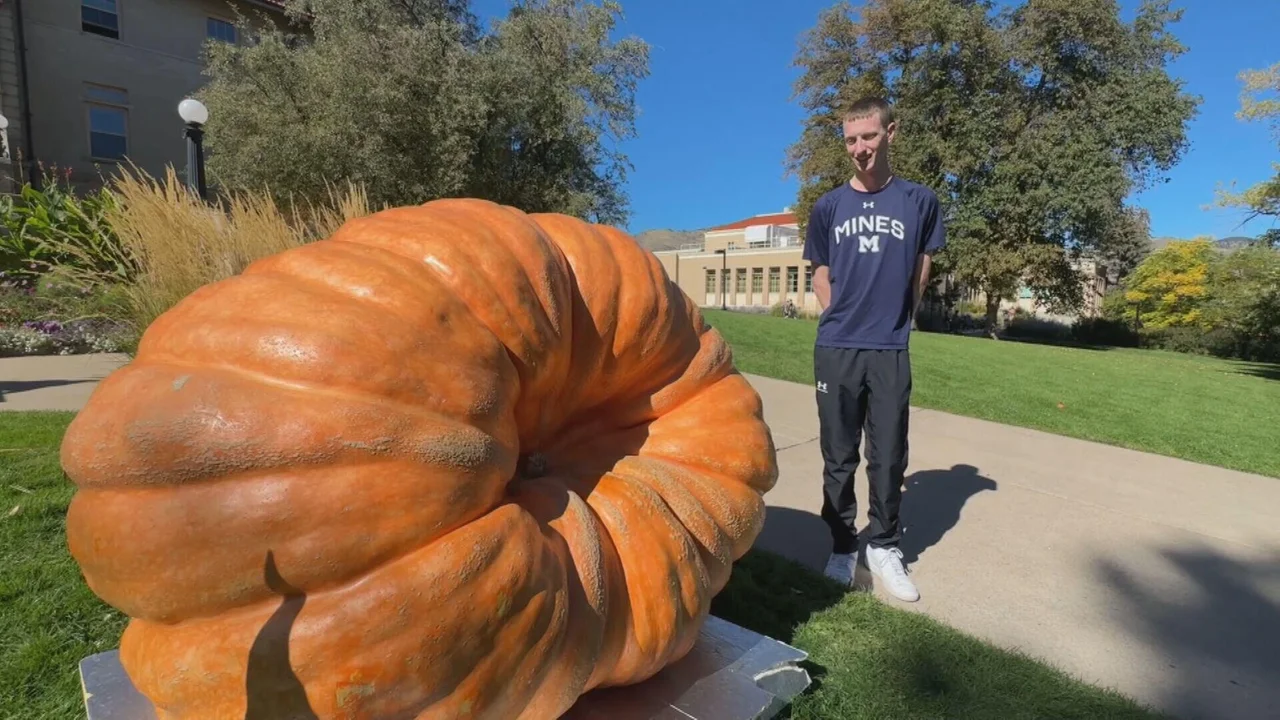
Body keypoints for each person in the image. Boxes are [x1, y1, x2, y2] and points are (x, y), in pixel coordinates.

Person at [802, 96, 946, 602]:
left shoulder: (919, 201)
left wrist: (900, 318)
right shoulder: (828, 207)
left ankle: (884, 546)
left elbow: (922, 266)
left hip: (889, 347)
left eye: (868, 136)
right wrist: (836, 312)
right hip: (837, 346)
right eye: (851, 139)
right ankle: (843, 546)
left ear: (891, 133)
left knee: (888, 456)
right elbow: (819, 269)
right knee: (838, 456)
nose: (860, 148)